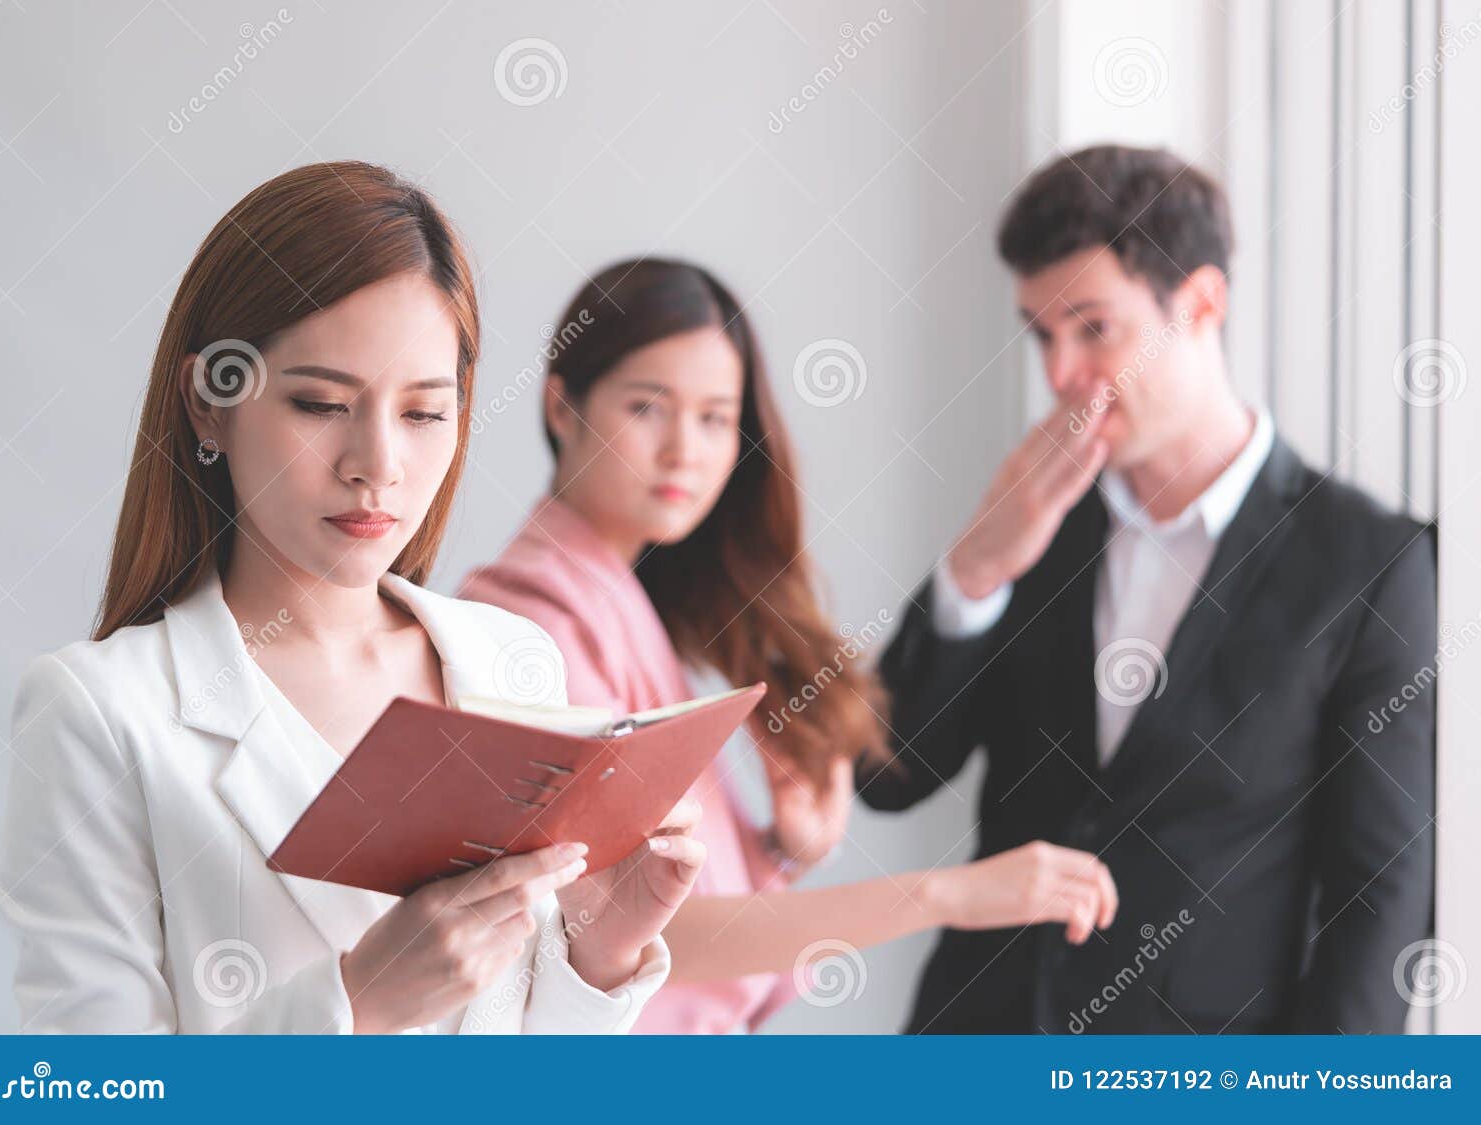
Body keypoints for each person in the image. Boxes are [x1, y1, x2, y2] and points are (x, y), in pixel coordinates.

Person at [0, 161, 705, 1034]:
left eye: (422, 413)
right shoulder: (100, 713)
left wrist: (603, 951)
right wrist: (357, 1003)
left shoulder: (513, 660)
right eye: (321, 403)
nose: (376, 463)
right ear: (209, 405)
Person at [861, 144, 1436, 1034]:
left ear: (1200, 303)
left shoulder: (1367, 561)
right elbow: (887, 775)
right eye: (1042, 333)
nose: (1060, 375)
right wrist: (975, 571)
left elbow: (1381, 889)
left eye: (1093, 328)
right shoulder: (1035, 519)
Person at [461, 256, 1119, 1034]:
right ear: (561, 406)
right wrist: (947, 894)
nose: (685, 450)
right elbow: (621, 926)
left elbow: (655, 908)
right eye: (648, 407)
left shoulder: (621, 600)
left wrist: (781, 849)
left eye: (714, 418)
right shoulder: (526, 622)